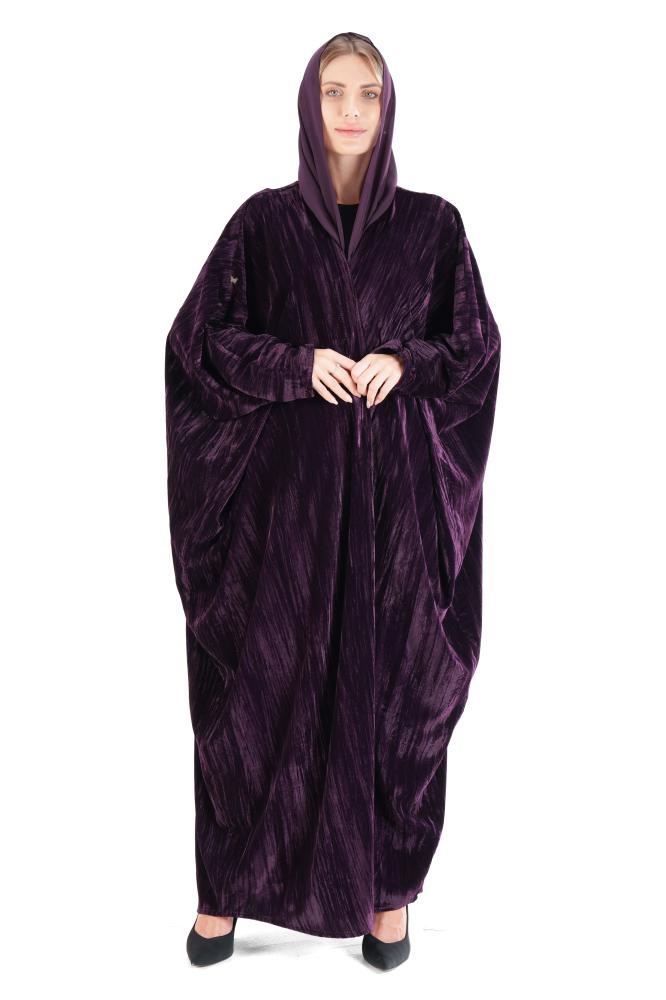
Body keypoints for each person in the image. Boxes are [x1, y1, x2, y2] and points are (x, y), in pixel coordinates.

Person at [165, 30, 501, 971]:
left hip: (397, 516)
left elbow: (473, 347)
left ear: (388, 108)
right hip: (286, 516)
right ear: (308, 105)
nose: (351, 111)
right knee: (259, 691)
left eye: (369, 93)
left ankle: (386, 898)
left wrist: (406, 361)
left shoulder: (434, 228)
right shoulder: (264, 226)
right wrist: (295, 363)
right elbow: (199, 343)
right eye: (333, 92)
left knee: (396, 690)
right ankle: (224, 893)